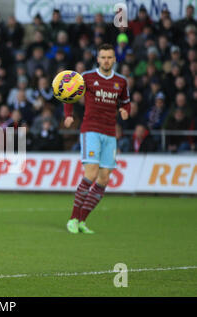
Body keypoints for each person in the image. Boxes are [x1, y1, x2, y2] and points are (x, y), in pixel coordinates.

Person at [63, 43, 131, 234]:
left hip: (110, 133)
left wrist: (125, 111)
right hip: (91, 130)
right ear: (98, 59)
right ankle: (73, 219)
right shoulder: (87, 77)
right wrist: (68, 115)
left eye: (109, 57)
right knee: (91, 173)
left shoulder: (121, 81)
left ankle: (83, 220)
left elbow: (126, 102)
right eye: (103, 57)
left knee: (103, 179)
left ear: (114, 59)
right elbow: (69, 94)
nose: (106, 60)